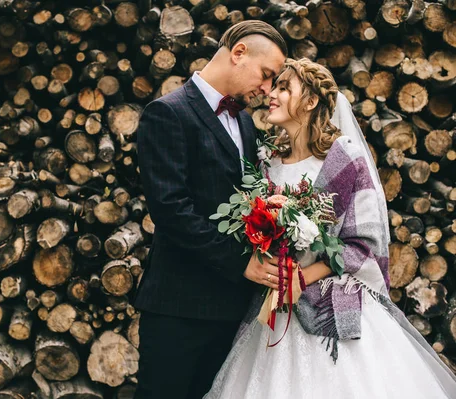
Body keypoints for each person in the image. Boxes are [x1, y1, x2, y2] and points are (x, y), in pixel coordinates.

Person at [204, 58, 456, 398]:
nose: (272, 95)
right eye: (274, 86)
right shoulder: (267, 160)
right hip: (275, 309)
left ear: (310, 102)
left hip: (329, 304)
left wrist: (301, 278)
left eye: (284, 88)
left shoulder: (343, 159)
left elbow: (363, 242)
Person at [134, 21, 287, 399]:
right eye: (266, 75)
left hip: (232, 308)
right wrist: (241, 262)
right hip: (179, 307)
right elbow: (171, 210)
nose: (267, 89)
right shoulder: (167, 113)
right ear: (238, 53)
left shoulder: (245, 124)